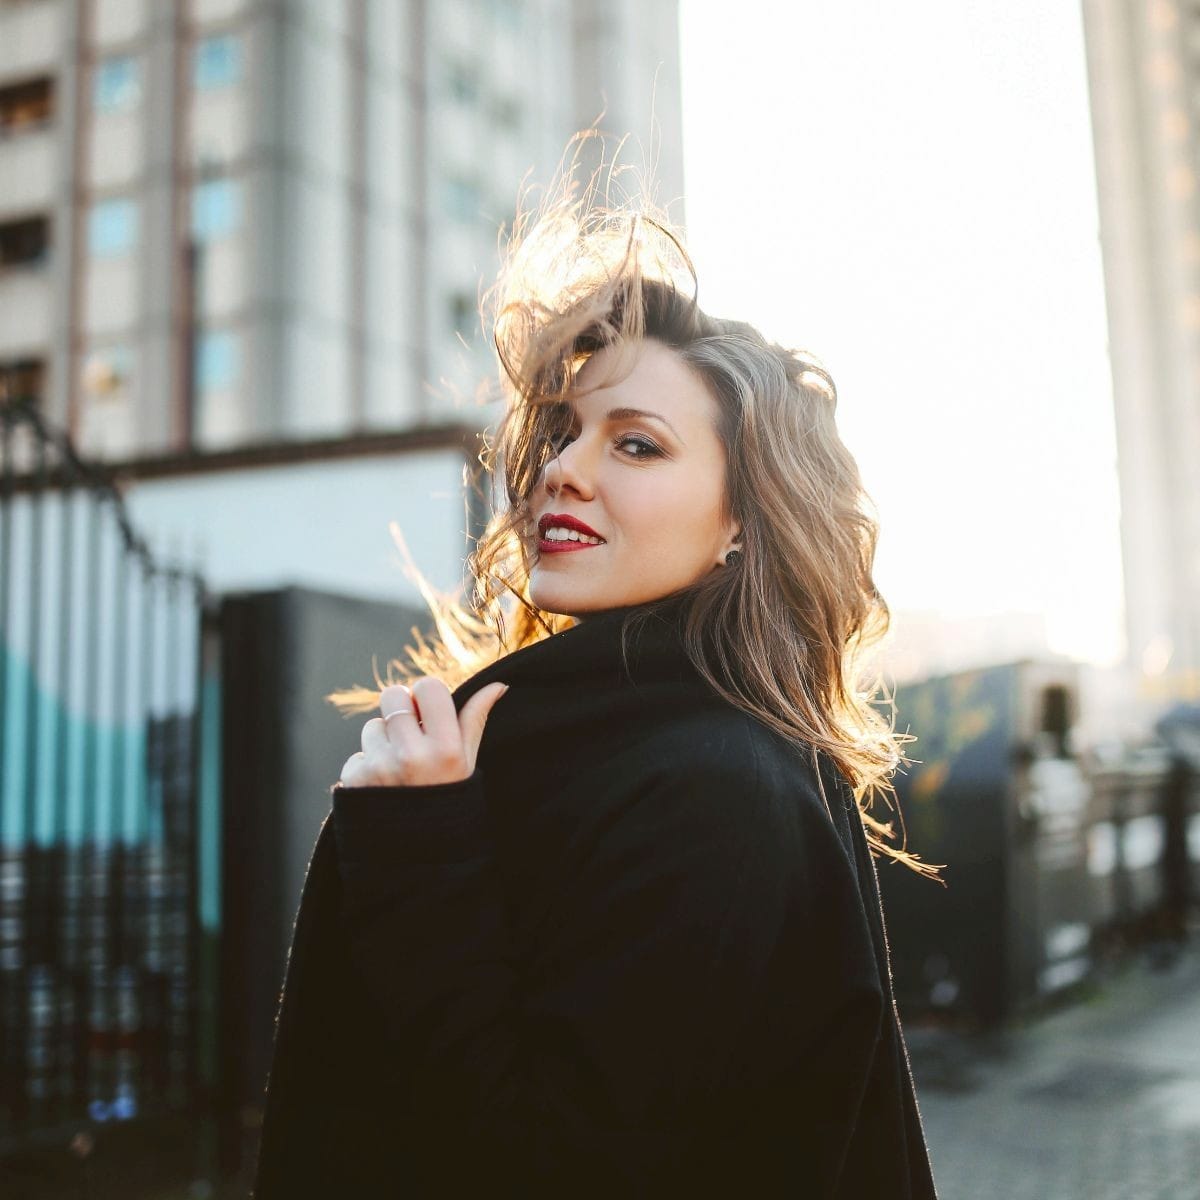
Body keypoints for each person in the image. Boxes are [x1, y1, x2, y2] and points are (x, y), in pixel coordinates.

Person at [252, 147, 943, 1198]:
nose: (563, 470)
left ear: (742, 525)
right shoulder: (557, 736)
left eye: (637, 445)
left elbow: (562, 1166)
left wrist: (422, 855)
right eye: (565, 432)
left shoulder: (720, 791)